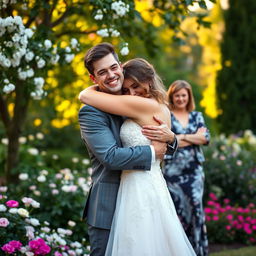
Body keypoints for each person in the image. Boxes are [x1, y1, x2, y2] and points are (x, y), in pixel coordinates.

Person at [79, 58, 196, 256]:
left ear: (148, 81)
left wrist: (170, 141)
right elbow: (112, 156)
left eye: (135, 86)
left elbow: (84, 95)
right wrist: (166, 143)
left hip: (141, 189)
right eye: (127, 89)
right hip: (121, 196)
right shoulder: (106, 109)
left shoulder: (140, 104)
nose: (132, 93)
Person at [143, 80, 210, 256]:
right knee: (177, 211)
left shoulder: (197, 116)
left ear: (189, 97)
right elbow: (166, 141)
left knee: (195, 208)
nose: (180, 98)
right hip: (172, 173)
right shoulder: (167, 116)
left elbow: (205, 139)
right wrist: (190, 137)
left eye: (183, 95)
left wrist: (179, 137)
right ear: (172, 97)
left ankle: (198, 251)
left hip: (194, 172)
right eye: (177, 95)